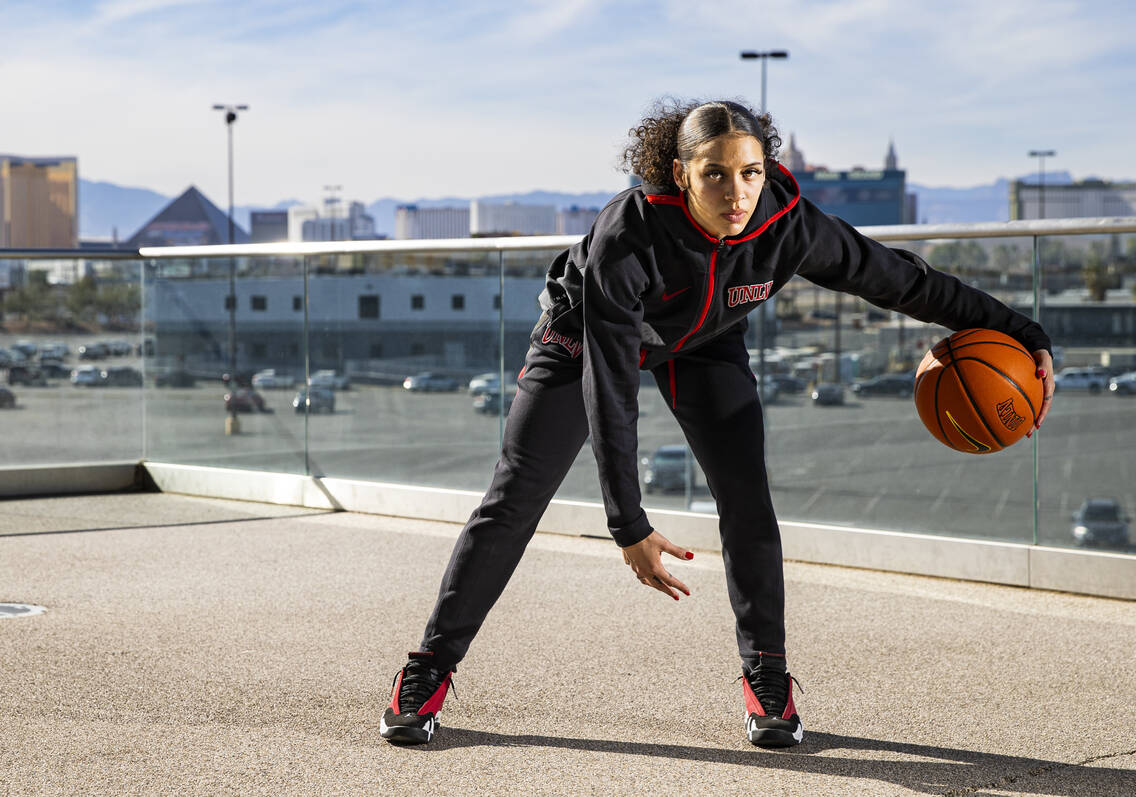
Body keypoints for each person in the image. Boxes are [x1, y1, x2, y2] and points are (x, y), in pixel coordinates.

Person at [379, 98, 1054, 748]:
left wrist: (1023, 331)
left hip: (703, 343)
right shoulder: (630, 234)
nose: (738, 193)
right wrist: (629, 524)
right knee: (516, 494)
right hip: (585, 338)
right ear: (680, 173)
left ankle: (766, 672)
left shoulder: (788, 224)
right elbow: (611, 388)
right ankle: (428, 668)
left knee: (747, 498)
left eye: (751, 172)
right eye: (716, 174)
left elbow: (904, 281)